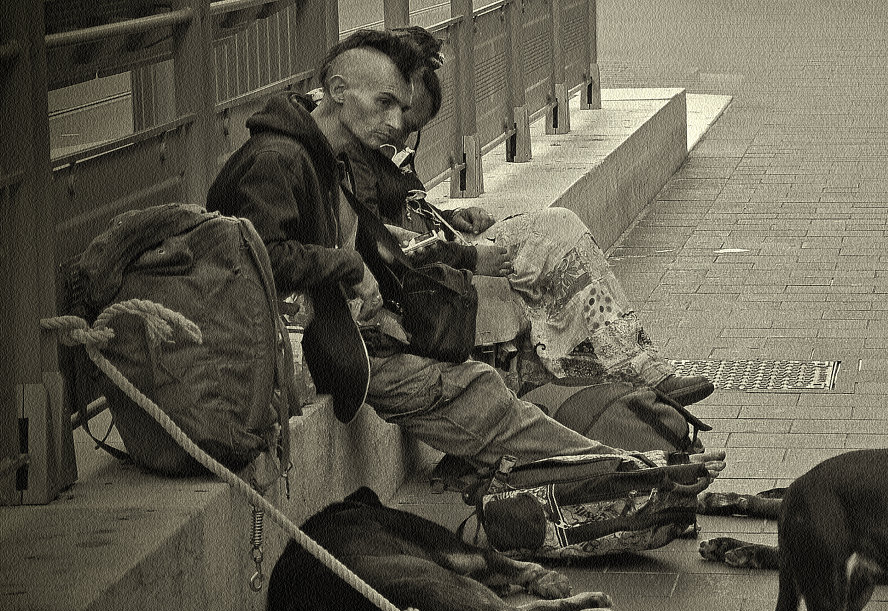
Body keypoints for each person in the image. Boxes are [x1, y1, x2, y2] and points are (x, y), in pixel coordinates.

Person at [206, 30, 725, 477]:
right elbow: (263, 258)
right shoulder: (278, 160)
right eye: (388, 104)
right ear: (338, 93)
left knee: (484, 379)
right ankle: (623, 465)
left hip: (364, 329)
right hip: (318, 347)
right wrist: (376, 264)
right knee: (480, 385)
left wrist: (442, 231)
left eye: (403, 111)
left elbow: (380, 240)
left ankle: (621, 455)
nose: (396, 123)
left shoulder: (327, 158)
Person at [341, 25, 715, 407]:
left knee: (560, 226)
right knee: (548, 248)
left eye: (411, 123)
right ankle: (626, 374)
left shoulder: (380, 142)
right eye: (399, 114)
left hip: (444, 242)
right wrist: (471, 257)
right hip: (425, 272)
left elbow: (407, 206)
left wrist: (453, 214)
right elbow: (378, 238)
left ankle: (637, 365)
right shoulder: (352, 152)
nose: (400, 132)